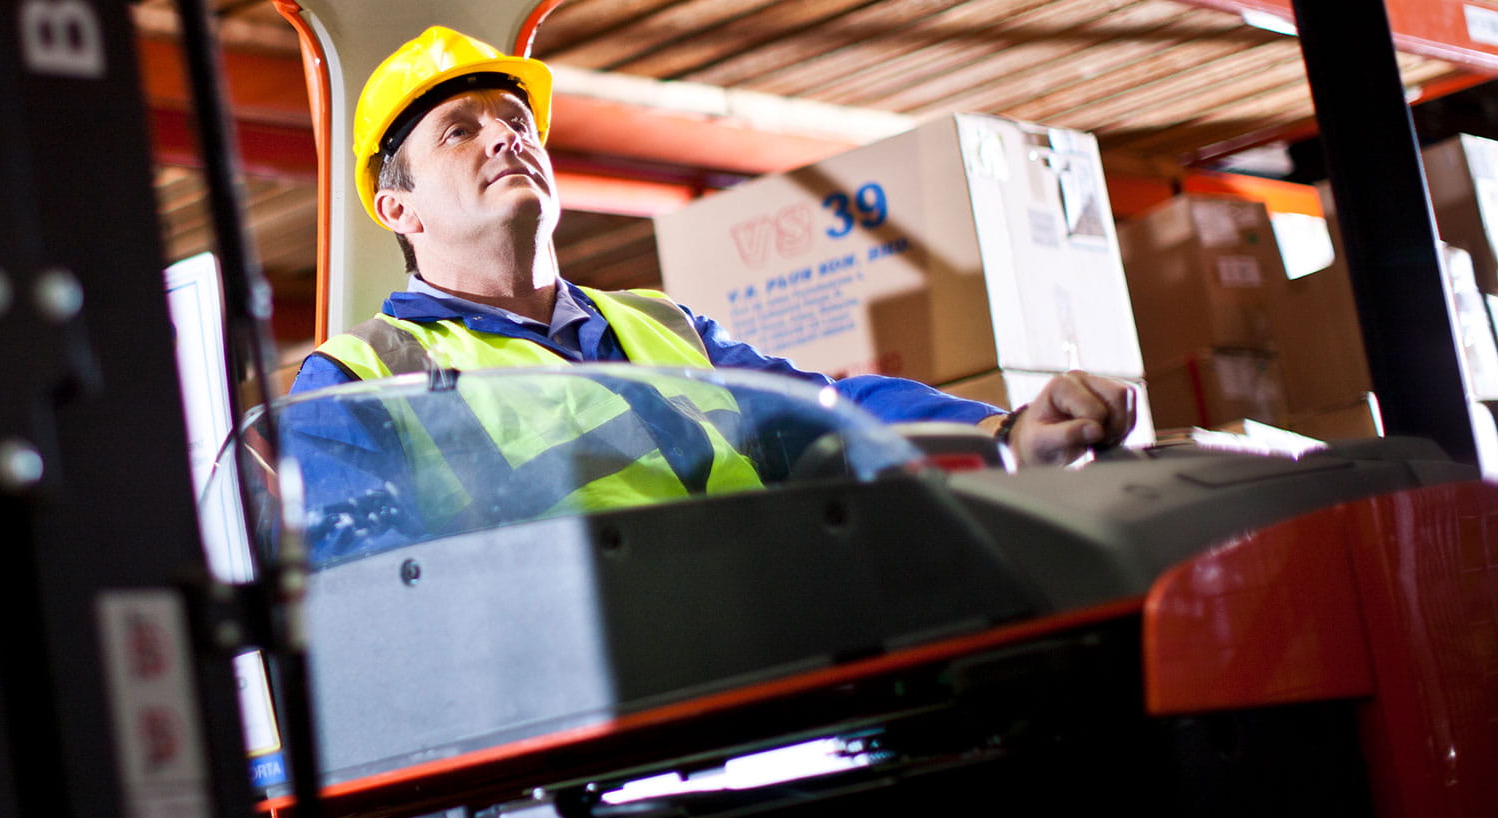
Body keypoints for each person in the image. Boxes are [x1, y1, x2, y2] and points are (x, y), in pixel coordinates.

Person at [283, 28, 1136, 562]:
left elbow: (828, 415)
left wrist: (1005, 428)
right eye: (460, 131)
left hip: (762, 667)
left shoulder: (663, 325)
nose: (505, 135)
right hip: (563, 747)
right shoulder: (356, 380)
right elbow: (367, 596)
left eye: (516, 119)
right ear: (398, 208)